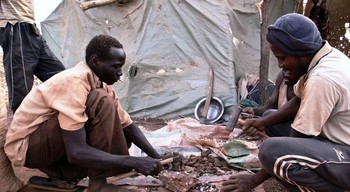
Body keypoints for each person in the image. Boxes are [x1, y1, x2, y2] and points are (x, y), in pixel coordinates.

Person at [4, 34, 164, 192]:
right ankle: (97, 183)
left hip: (47, 145)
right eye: (115, 66)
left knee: (119, 132)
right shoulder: (74, 82)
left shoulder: (100, 84)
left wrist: (156, 157)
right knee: (101, 101)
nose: (120, 73)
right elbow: (76, 152)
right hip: (27, 149)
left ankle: (62, 174)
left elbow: (127, 125)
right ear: (95, 61)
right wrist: (134, 162)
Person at [222, 13, 350, 192]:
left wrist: (253, 180)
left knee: (271, 151)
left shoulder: (322, 78)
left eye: (283, 58)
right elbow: (298, 101)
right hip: (336, 141)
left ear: (301, 52)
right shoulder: (324, 56)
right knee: (271, 117)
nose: (280, 65)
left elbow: (297, 140)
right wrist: (262, 122)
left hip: (346, 154)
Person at [0, 0, 66, 112]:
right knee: (21, 93)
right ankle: (21, 127)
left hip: (32, 28)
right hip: (16, 26)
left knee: (62, 78)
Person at [241, 69, 302, 137]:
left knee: (268, 114)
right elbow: (271, 105)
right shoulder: (282, 79)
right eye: (284, 70)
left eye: (291, 71)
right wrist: (254, 111)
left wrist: (263, 123)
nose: (286, 74)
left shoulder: (309, 82)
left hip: (300, 131)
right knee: (265, 114)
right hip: (282, 126)